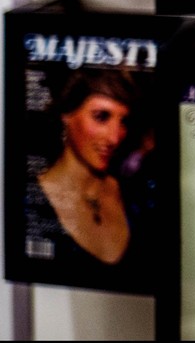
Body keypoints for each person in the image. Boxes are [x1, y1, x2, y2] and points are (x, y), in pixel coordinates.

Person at [30, 68, 149, 281]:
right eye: (101, 117)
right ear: (67, 115)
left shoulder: (137, 195)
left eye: (123, 121)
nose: (115, 138)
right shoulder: (31, 203)